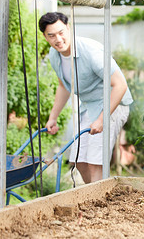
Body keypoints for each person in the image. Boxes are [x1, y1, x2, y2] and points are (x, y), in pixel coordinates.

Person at [39, 12, 133, 184]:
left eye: (61, 32)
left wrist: (101, 119)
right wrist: (53, 117)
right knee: (78, 160)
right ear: (45, 37)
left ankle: (99, 202)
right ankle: (95, 197)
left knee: (95, 161)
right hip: (89, 106)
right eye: (51, 35)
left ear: (68, 28)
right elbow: (63, 86)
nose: (58, 39)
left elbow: (120, 85)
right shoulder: (55, 56)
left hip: (113, 103)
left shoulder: (90, 51)